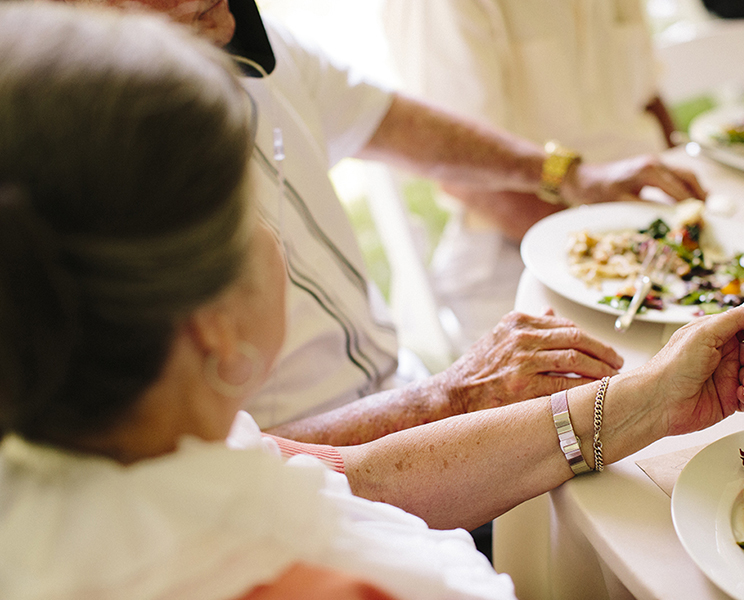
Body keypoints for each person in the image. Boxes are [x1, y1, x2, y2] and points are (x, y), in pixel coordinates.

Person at [0, 3, 744, 598]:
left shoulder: (158, 444)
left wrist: (650, 399)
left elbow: (360, 476)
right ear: (213, 332)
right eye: (243, 213)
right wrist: (447, 394)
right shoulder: (335, 584)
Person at [50, 0, 707, 448]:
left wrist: (564, 172)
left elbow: (393, 122)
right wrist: (448, 398)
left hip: (403, 395)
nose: (228, 27)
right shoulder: (74, 197)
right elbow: (219, 470)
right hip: (330, 476)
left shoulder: (257, 40)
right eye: (197, 15)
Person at [381, 0, 693, 346]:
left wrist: (684, 191)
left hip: (652, 230)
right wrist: (613, 254)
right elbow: (462, 174)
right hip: (516, 252)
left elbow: (648, 97)